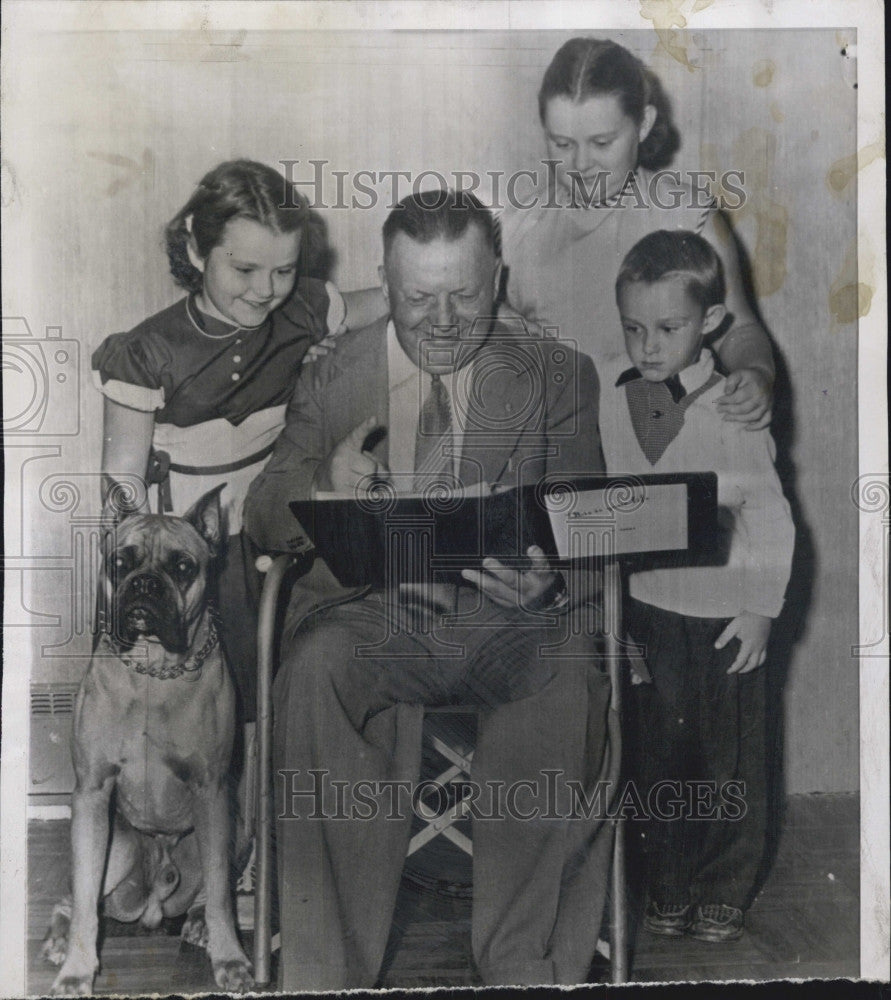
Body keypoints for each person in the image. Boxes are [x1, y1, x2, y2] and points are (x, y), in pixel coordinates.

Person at [243, 190, 615, 989]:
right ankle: (324, 974)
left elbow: (592, 523)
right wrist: (324, 481)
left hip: (510, 621)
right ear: (384, 280)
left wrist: (551, 577)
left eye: (465, 295)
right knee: (313, 673)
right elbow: (262, 518)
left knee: (568, 678)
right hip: (368, 617)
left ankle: (527, 967)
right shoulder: (332, 373)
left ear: (499, 277)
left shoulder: (557, 375)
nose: (442, 320)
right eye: (416, 298)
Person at [92, 158, 382, 722]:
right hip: (189, 558)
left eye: (283, 271)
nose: (264, 291)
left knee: (282, 691)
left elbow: (398, 297)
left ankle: (268, 800)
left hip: (278, 534)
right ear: (197, 252)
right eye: (245, 269)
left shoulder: (303, 309)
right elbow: (121, 491)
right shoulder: (145, 352)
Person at [596, 229, 794, 942]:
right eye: (633, 328)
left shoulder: (732, 406)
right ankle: (669, 882)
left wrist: (760, 609)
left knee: (727, 759)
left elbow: (770, 513)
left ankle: (723, 885)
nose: (647, 345)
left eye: (668, 328)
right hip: (647, 612)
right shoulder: (615, 397)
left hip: (723, 617)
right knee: (656, 757)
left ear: (710, 322)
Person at [499, 36, 776, 430]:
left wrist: (756, 372)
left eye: (602, 142)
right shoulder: (516, 230)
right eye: (561, 144)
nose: (580, 164)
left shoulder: (686, 217)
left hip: (665, 446)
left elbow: (739, 328)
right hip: (563, 453)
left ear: (643, 124)